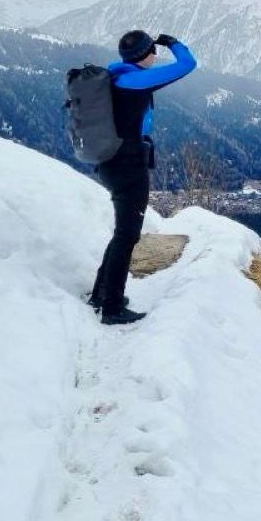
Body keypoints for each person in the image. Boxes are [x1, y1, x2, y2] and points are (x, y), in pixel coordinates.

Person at [87, 29, 198, 325]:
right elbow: (187, 64)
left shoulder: (115, 75)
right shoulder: (135, 81)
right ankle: (112, 308)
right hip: (128, 166)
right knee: (128, 235)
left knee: (122, 233)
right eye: (153, 51)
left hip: (110, 163)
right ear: (144, 54)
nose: (155, 56)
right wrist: (172, 42)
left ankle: (101, 295)